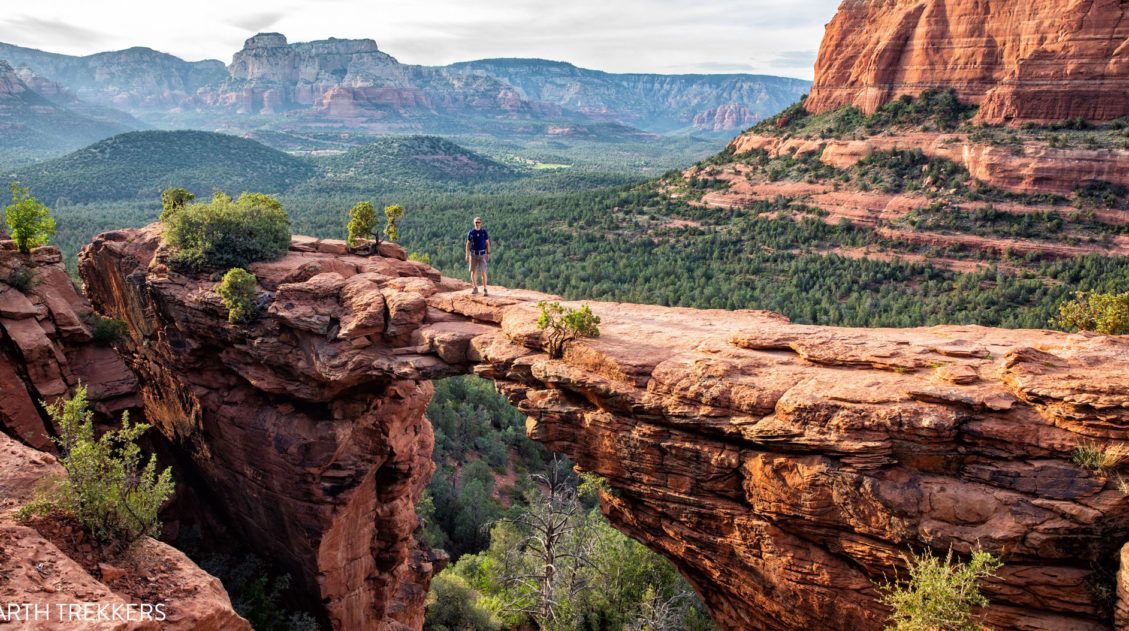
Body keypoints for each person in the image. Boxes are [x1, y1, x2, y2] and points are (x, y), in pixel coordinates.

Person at [466, 216, 490, 295]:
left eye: (479, 222)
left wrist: (488, 253)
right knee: (473, 272)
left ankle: (485, 289)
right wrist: (467, 254)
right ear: (474, 223)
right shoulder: (471, 232)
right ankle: (475, 288)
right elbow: (468, 243)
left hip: (482, 255)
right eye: (476, 222)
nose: (477, 223)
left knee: (483, 272)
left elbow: (487, 243)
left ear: (481, 223)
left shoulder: (483, 232)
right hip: (473, 255)